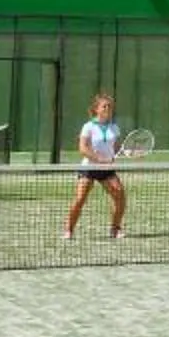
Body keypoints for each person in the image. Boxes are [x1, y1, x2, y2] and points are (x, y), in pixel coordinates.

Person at [67, 91, 127, 242]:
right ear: (97, 109)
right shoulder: (88, 127)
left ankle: (115, 228)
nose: (108, 109)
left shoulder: (115, 128)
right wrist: (99, 160)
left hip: (107, 170)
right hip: (89, 169)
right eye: (104, 106)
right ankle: (69, 229)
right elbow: (83, 148)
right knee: (80, 199)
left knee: (120, 196)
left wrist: (126, 152)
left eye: (110, 107)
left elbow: (117, 148)